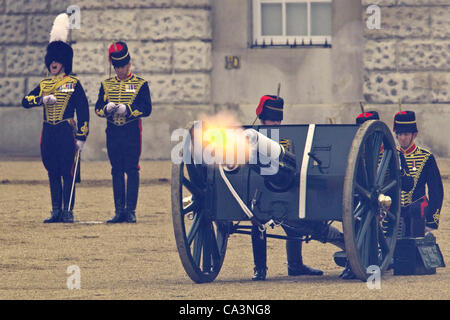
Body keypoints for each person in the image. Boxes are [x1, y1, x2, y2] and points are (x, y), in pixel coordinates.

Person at [22, 13, 89, 223]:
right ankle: (55, 210)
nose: (54, 64)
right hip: (49, 132)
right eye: (52, 60)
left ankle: (68, 210)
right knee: (53, 171)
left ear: (64, 63)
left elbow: (83, 109)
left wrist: (81, 135)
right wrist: (42, 100)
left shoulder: (73, 83)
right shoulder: (44, 85)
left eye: (58, 60)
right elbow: (26, 101)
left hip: (65, 131)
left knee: (67, 171)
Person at [251, 95, 324, 281]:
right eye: (271, 119)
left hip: (285, 187)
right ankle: (259, 269)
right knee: (257, 224)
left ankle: (295, 265)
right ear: (262, 119)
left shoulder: (285, 137)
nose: (275, 123)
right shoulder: (254, 137)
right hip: (258, 191)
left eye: (278, 119)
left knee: (293, 225)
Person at [95, 41, 152, 223]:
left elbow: (147, 108)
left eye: (122, 66)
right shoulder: (106, 85)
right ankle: (119, 210)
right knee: (116, 170)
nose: (119, 70)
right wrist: (107, 108)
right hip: (113, 132)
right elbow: (97, 108)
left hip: (131, 132)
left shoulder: (140, 84)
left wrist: (128, 110)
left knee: (132, 170)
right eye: (116, 66)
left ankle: (131, 210)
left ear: (129, 64)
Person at [393, 111, 443, 237]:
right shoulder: (390, 155)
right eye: (399, 134)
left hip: (417, 214)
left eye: (406, 134)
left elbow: (436, 190)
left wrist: (431, 221)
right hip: (393, 213)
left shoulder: (426, 157)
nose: (402, 138)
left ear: (414, 135)